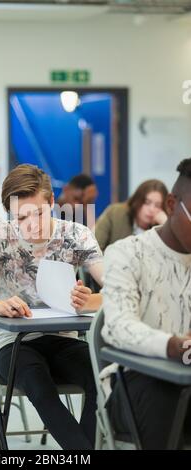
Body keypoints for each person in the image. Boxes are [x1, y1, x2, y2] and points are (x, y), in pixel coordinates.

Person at [0, 164, 103, 450]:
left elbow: (120, 291)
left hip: (63, 341)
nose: (31, 224)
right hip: (14, 345)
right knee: (38, 382)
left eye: (38, 213)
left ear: (51, 203)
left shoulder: (77, 234)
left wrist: (92, 301)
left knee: (101, 377)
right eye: (21, 216)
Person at [99, 158, 191, 450]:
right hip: (135, 384)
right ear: (172, 205)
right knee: (165, 394)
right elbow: (119, 327)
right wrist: (173, 345)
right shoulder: (128, 254)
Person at [95, 179, 168, 252]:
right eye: (147, 203)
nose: (151, 209)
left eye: (158, 205)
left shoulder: (160, 228)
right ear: (137, 200)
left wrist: (165, 224)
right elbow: (93, 251)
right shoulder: (115, 213)